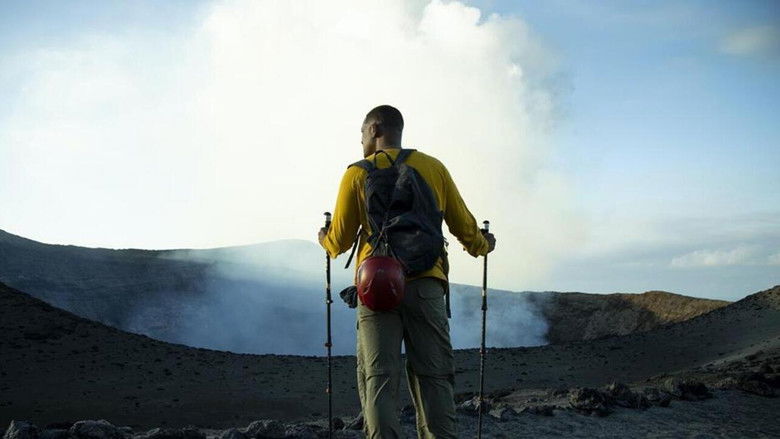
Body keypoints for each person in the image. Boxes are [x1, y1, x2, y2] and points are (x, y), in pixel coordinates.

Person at [318, 105, 496, 438]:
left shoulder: (356, 173)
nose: (360, 141)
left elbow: (338, 241)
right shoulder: (433, 168)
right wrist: (483, 244)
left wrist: (323, 238)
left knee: (379, 378)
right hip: (426, 285)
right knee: (434, 377)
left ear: (373, 130)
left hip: (376, 286)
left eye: (361, 134)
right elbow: (463, 226)